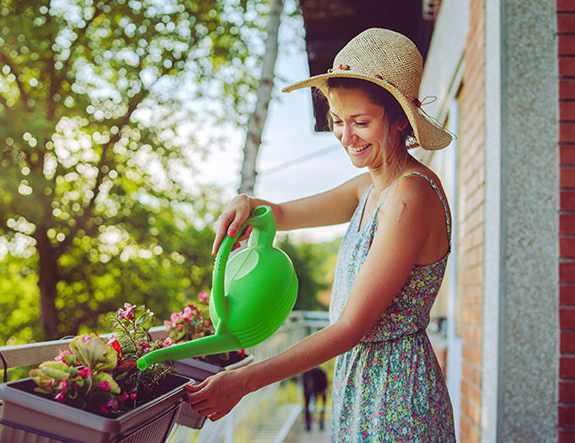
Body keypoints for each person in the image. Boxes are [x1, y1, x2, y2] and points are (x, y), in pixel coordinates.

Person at [185, 28, 456, 441]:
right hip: (362, 382)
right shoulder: (371, 186)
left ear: (401, 118)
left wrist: (243, 381)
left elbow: (351, 327)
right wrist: (247, 202)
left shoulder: (409, 196)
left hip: (395, 391)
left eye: (361, 122)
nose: (346, 137)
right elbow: (277, 213)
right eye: (337, 121)